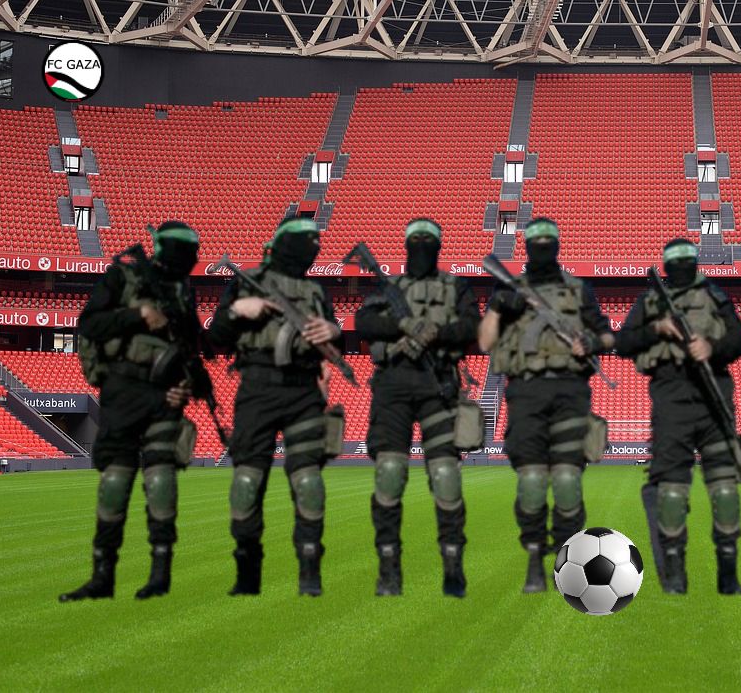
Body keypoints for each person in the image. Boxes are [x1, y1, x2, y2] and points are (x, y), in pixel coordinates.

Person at [60, 222, 204, 602]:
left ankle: (160, 575)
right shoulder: (121, 277)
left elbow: (193, 347)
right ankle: (102, 577)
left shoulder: (182, 292)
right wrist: (137, 315)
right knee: (114, 482)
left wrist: (187, 385)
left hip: (165, 396)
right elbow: (90, 324)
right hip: (123, 391)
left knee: (161, 481)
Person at [477, 218, 614, 593]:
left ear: (556, 245)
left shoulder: (578, 289)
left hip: (571, 391)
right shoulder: (508, 288)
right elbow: (485, 343)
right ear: (526, 247)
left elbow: (607, 335)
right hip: (526, 392)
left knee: (568, 480)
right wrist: (497, 307)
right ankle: (535, 556)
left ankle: (565, 558)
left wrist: (590, 342)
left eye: (547, 242)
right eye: (535, 243)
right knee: (533, 481)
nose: (542, 249)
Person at [208, 217, 342, 597]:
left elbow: (335, 338)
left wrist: (333, 331)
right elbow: (215, 339)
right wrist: (238, 309)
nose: (313, 247)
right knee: (247, 482)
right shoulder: (245, 281)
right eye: (306, 240)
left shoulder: (315, 289)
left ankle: (310, 570)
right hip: (258, 388)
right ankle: (247, 571)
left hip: (304, 391)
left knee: (309, 482)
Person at [354, 218, 481, 597]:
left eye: (429, 239)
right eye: (416, 239)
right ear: (406, 244)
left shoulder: (456, 286)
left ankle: (453, 568)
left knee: (446, 476)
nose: (422, 245)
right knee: (390, 473)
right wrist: (405, 325)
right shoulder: (390, 287)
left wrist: (437, 332)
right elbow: (364, 322)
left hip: (437, 385)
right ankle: (389, 570)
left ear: (438, 246)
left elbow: (472, 327)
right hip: (393, 387)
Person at [615, 238, 741, 595]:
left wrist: (711, 347)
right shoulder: (651, 301)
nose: (682, 268)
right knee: (671, 493)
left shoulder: (715, 295)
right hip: (671, 399)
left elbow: (739, 339)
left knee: (725, 490)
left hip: (714, 397)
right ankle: (674, 576)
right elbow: (623, 344)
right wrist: (657, 329)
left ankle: (728, 574)